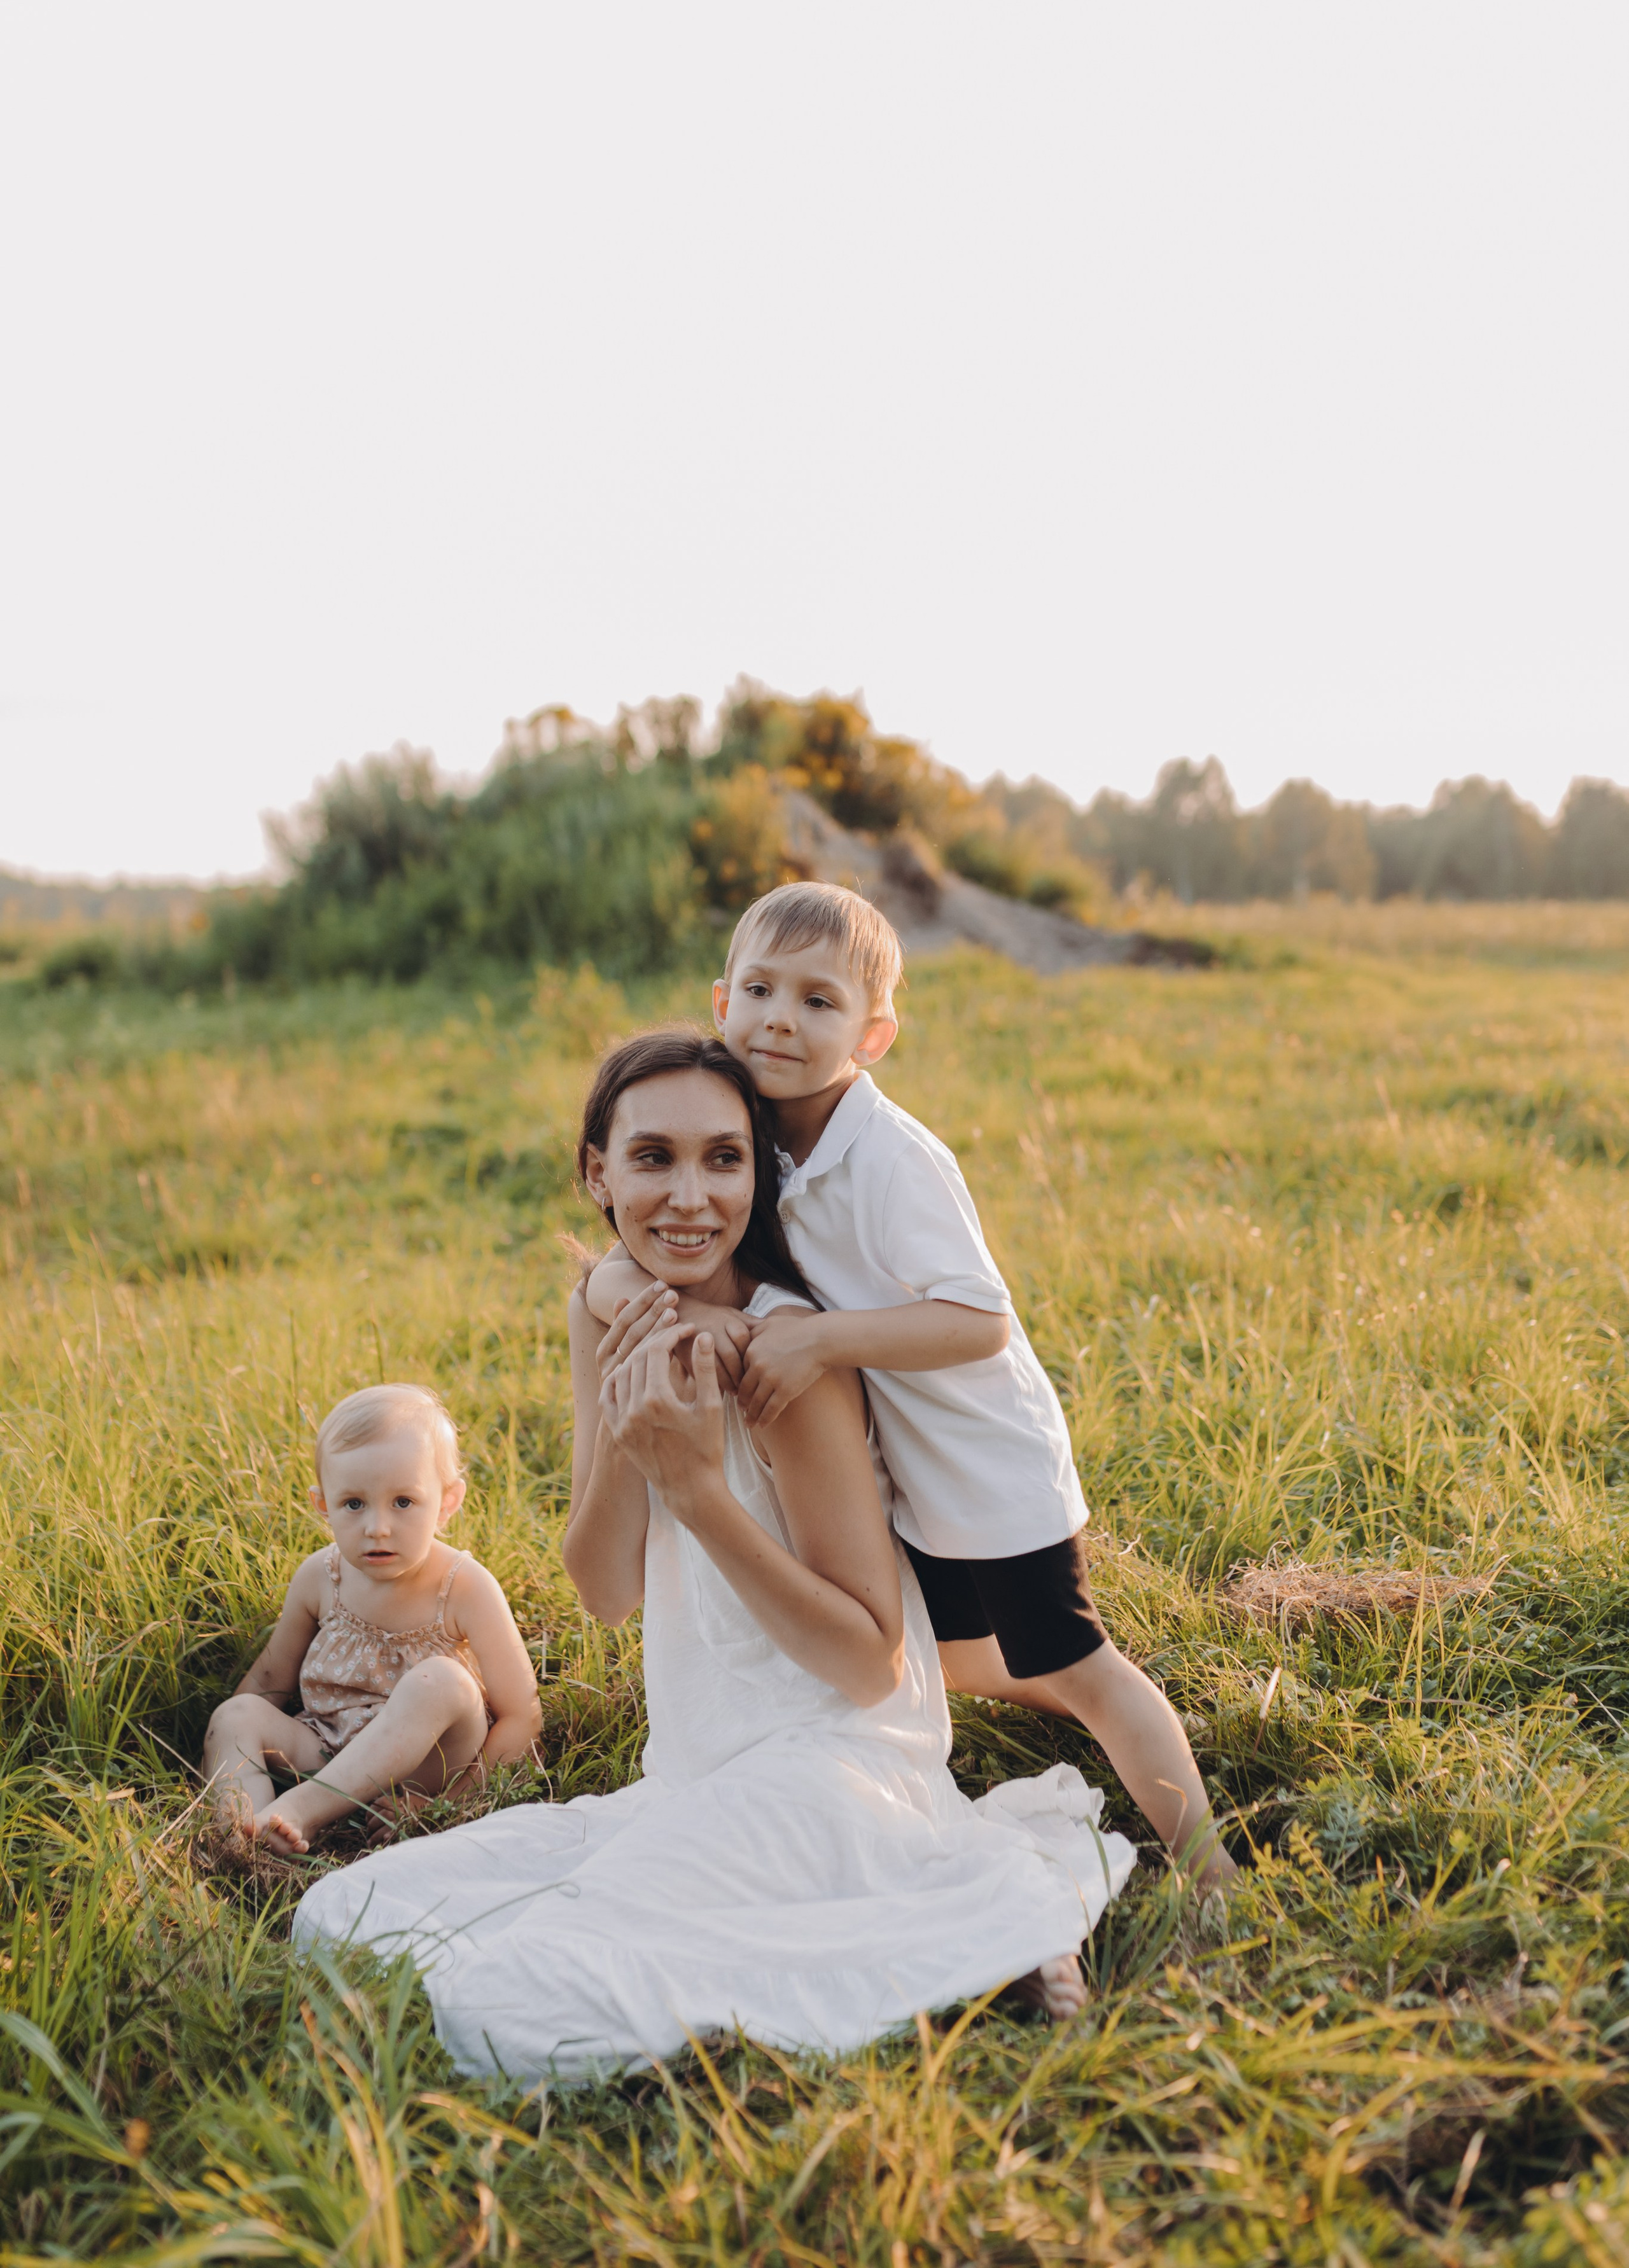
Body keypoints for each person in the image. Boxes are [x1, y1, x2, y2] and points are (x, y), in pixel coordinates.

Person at [293, 1033, 1135, 2082]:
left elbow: (869, 1665)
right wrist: (631, 1429)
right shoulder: (604, 1313)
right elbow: (605, 1590)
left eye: (723, 1160)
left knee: (525, 1998)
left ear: (760, 1174)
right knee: (349, 1913)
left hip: (838, 1763)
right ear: (597, 1172)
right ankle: (950, 1931)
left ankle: (976, 1924)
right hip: (694, 1769)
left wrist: (697, 1491)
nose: (689, 1195)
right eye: (653, 1158)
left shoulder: (788, 1360)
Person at [587, 885, 1235, 1894]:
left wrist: (815, 1344)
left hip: (984, 1466)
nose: (780, 1021)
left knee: (1083, 1664)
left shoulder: (891, 1157)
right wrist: (621, 1286)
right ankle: (1095, 1712)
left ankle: (1210, 1866)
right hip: (904, 1462)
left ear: (873, 1034)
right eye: (759, 990)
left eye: (818, 1002)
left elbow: (981, 1320)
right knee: (968, 1658)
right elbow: (647, 1241)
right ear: (721, 1004)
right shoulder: (757, 1125)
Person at [202, 1384, 542, 1856]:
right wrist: (235, 1742)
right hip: (326, 1746)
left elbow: (522, 1715)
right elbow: (269, 1680)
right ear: (324, 1505)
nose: (378, 1527)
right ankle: (247, 1837)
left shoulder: (466, 1587)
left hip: (424, 1769)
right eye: (354, 1504)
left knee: (442, 1682)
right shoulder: (321, 1578)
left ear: (447, 1502)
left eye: (403, 1502)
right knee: (236, 1714)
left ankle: (304, 1809)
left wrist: (447, 1802)